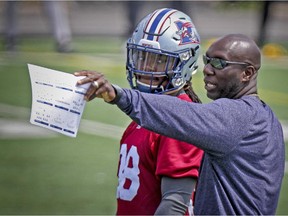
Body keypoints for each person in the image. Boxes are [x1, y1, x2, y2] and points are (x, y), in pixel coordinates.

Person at [75, 33, 285, 215]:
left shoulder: (238, 116)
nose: (208, 69)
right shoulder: (265, 118)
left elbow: (180, 113)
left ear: (247, 74)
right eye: (207, 60)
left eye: (219, 63)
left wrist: (117, 95)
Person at [76, 8, 203, 215]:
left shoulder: (179, 120)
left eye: (159, 60)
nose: (146, 67)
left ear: (184, 62)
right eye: (142, 56)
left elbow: (174, 204)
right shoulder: (146, 111)